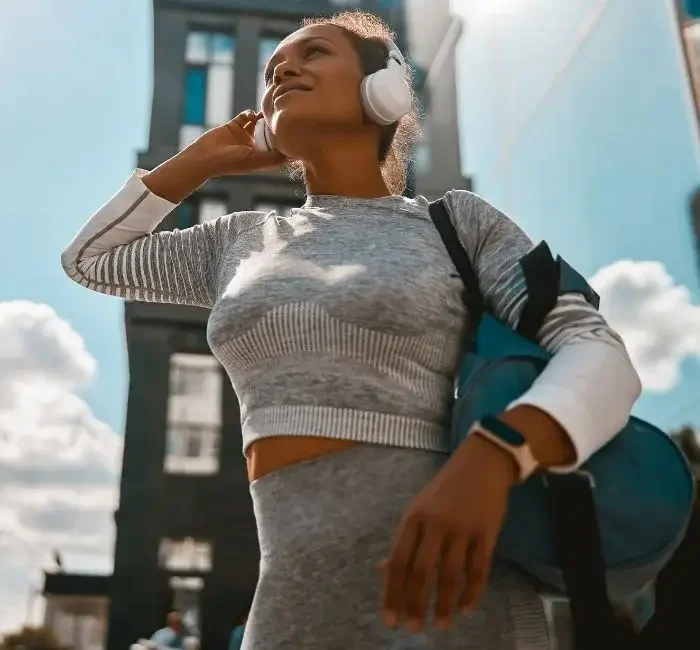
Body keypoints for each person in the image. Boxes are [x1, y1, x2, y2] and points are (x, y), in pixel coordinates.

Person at [61, 10, 642, 649]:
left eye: (314, 53)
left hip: (456, 596)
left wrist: (498, 454)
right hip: (292, 603)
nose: (283, 67)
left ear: (384, 87)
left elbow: (598, 352)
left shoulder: (457, 224)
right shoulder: (239, 241)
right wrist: (196, 164)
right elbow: (90, 261)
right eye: (274, 65)